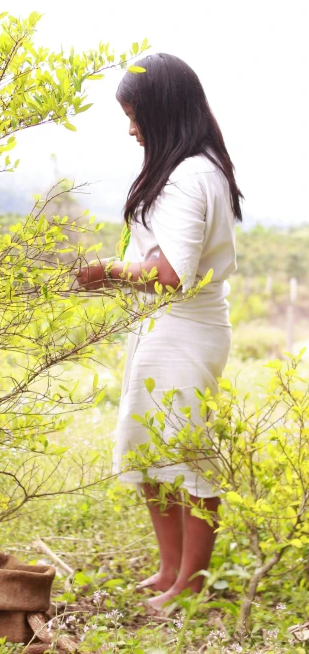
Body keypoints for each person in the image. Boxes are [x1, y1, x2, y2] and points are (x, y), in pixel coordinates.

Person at [75, 53, 243, 612]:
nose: (131, 128)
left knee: (187, 455)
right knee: (148, 448)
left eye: (136, 114)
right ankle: (171, 569)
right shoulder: (195, 167)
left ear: (164, 110)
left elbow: (171, 275)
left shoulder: (189, 176)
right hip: (164, 327)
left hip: (184, 330)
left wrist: (108, 272)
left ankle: (191, 584)